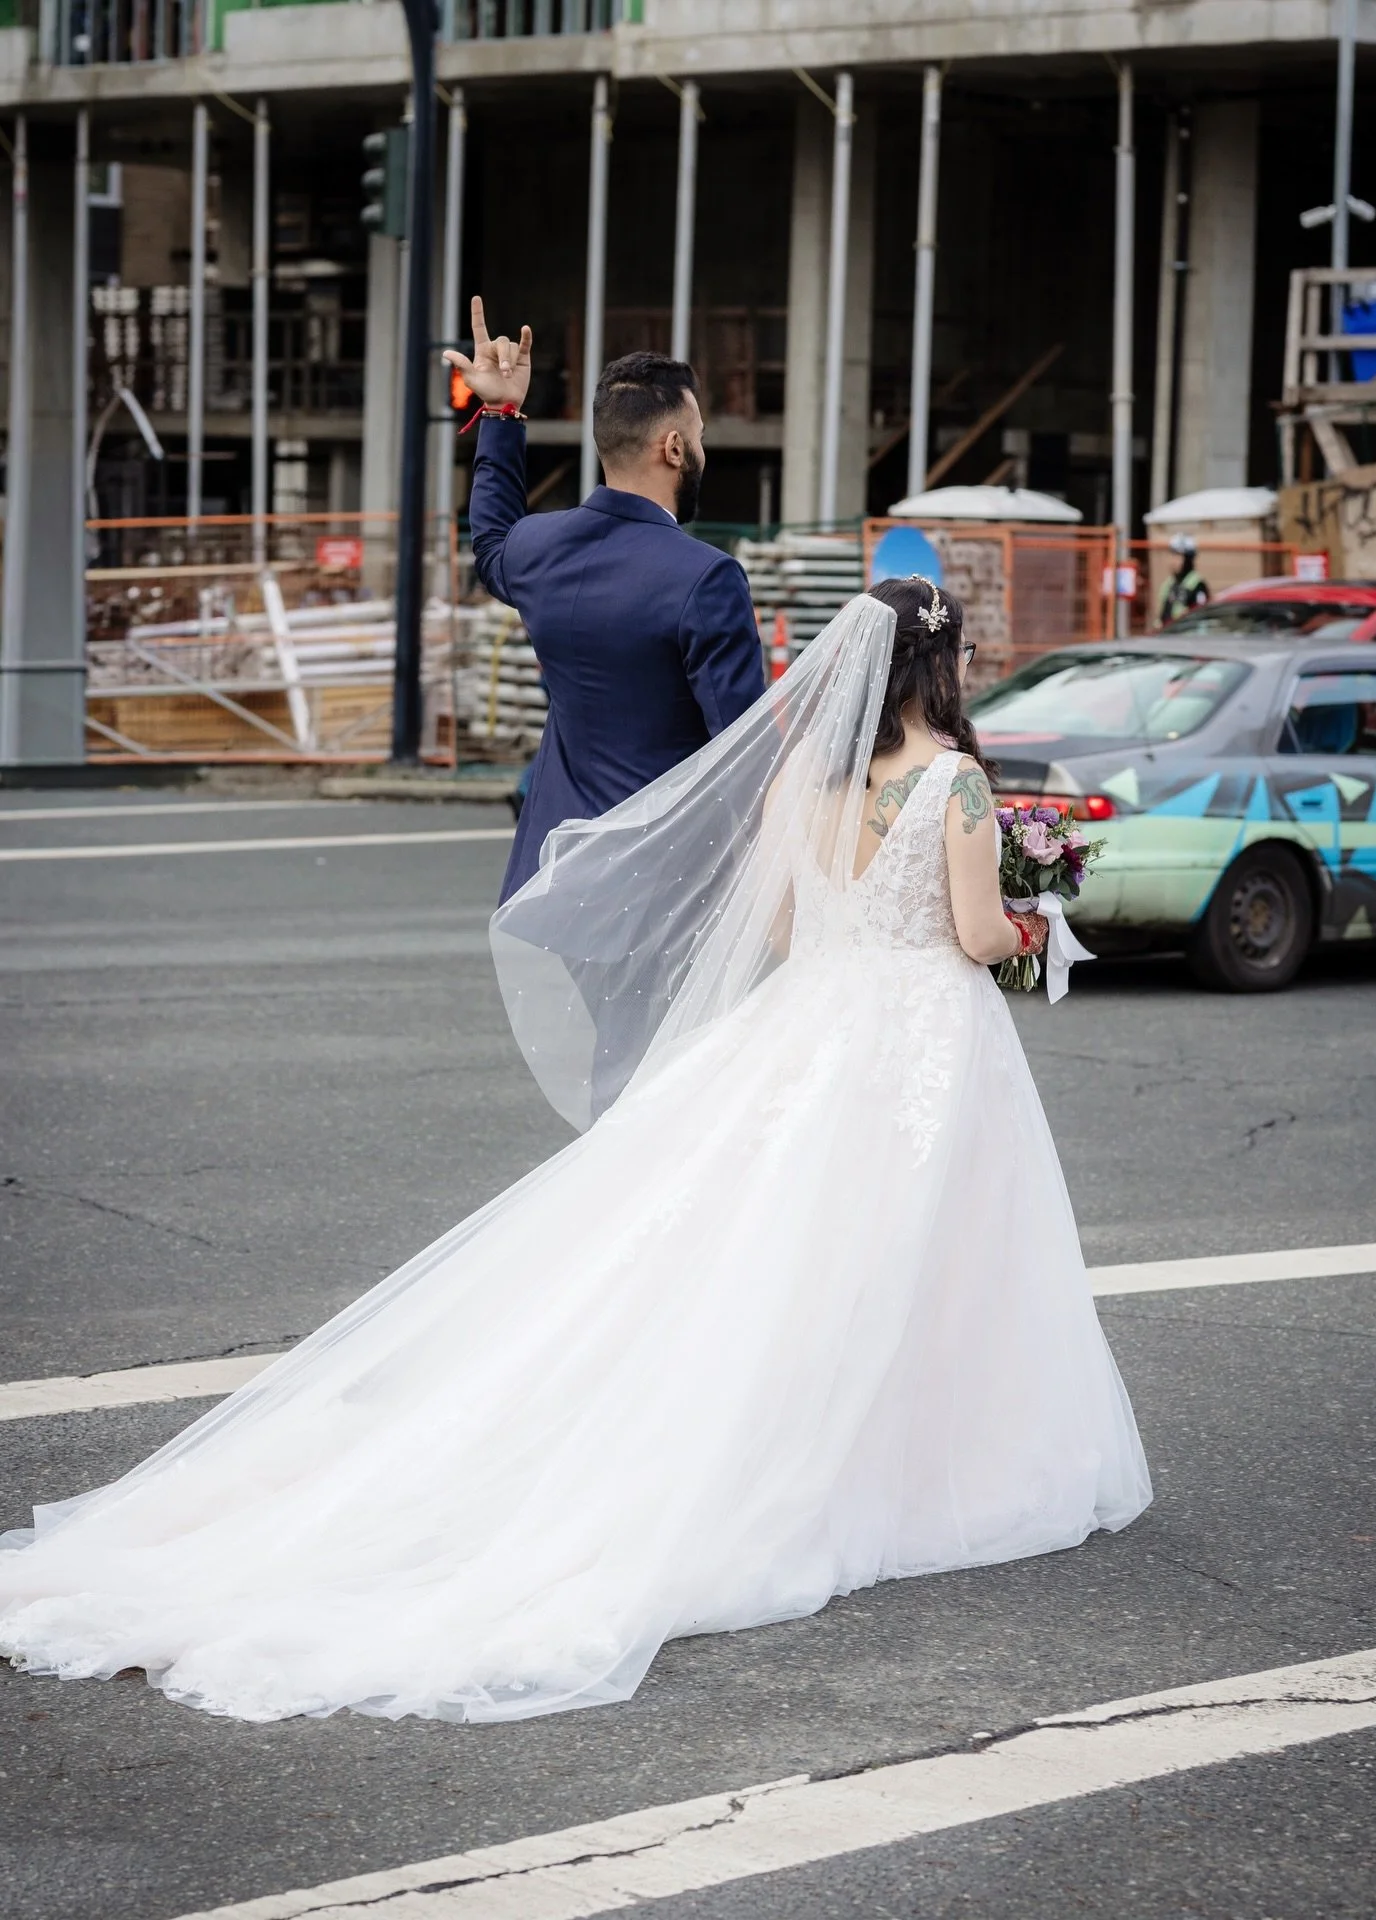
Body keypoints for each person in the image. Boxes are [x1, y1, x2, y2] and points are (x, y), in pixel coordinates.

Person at [0, 577, 1150, 1726]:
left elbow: (784, 925)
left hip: (813, 1018)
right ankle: (915, 1462)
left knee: (774, 1249)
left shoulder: (798, 779)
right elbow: (978, 934)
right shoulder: (952, 781)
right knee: (920, 1250)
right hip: (919, 1035)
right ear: (939, 665)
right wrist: (1037, 914)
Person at [447, 298, 766, 902]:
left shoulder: (539, 547)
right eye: (699, 437)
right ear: (674, 448)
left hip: (551, 881)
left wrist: (501, 413)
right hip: (665, 885)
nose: (703, 451)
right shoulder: (706, 577)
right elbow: (743, 752)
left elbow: (488, 545)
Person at [1158, 534, 1209, 624]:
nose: (1174, 561)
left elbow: (1201, 620)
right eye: (1173, 555)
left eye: (1179, 556)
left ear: (1189, 560)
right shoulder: (1170, 583)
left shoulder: (1197, 585)